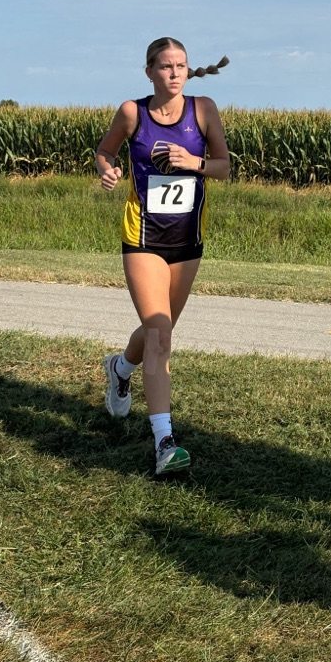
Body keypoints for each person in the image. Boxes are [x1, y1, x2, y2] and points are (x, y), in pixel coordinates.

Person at [95, 37, 231, 474]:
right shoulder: (132, 112)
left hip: (187, 238)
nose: (175, 73)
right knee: (159, 332)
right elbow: (105, 151)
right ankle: (164, 441)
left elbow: (224, 166)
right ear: (149, 71)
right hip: (144, 237)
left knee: (161, 330)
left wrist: (195, 162)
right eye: (166, 66)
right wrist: (108, 170)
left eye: (182, 66)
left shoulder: (204, 109)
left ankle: (119, 368)